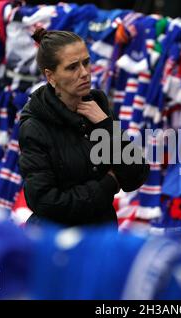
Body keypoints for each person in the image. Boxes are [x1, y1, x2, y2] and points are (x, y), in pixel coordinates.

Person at [18, 28, 150, 228]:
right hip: (57, 244)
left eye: (86, 62)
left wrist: (106, 126)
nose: (84, 73)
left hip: (102, 236)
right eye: (72, 67)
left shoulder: (97, 105)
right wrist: (108, 185)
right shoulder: (35, 126)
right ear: (50, 76)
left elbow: (135, 175)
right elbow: (46, 203)